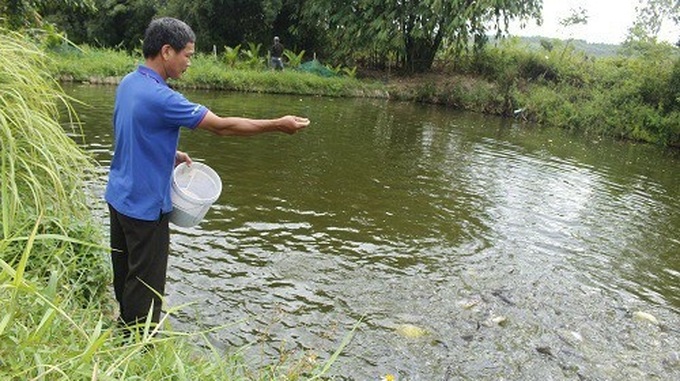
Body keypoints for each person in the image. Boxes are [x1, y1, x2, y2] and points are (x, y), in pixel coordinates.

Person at [105, 17, 309, 335]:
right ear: (167, 51)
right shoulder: (165, 99)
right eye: (188, 55)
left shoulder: (129, 83)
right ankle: (137, 348)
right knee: (146, 285)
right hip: (145, 208)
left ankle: (122, 330)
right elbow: (222, 126)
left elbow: (131, 130)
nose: (189, 62)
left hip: (118, 198)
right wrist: (276, 125)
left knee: (126, 273)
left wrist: (168, 154)